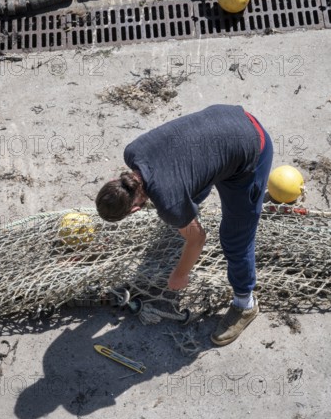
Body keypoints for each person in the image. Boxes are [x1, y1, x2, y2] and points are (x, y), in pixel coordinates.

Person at [95, 104, 273, 346]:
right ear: (114, 180)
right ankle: (191, 209)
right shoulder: (133, 152)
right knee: (188, 190)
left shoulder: (169, 203)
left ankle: (246, 304)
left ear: (135, 209)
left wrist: (180, 275)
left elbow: (198, 238)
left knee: (236, 239)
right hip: (229, 116)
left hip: (253, 151)